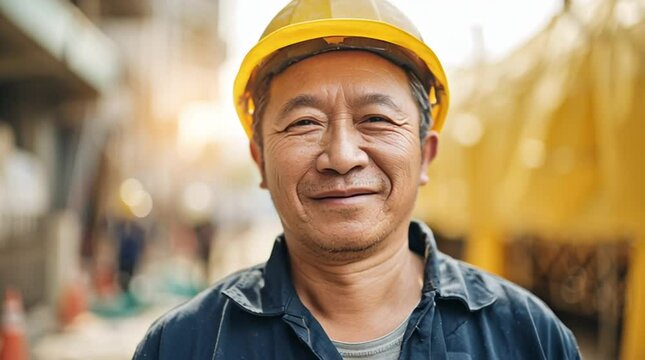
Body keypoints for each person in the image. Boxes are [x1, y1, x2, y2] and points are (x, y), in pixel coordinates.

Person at [134, 0, 580, 359]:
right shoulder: (182, 345)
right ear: (260, 161)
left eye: (376, 118)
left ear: (425, 154)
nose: (342, 157)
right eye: (304, 123)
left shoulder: (530, 338)